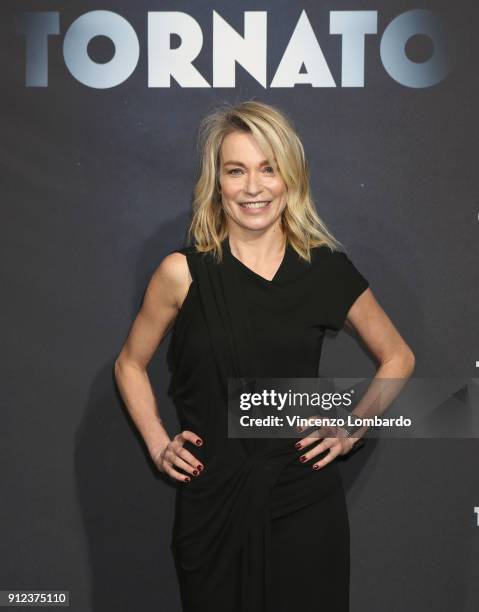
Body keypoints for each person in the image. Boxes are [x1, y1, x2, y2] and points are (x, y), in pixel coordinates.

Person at [114, 100, 415, 612]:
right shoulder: (181, 274)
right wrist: (158, 443)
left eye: (268, 168)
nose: (253, 187)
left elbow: (398, 357)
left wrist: (352, 426)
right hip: (212, 500)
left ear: (290, 178)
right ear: (217, 183)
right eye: (236, 171)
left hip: (303, 497)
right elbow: (129, 364)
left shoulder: (325, 270)